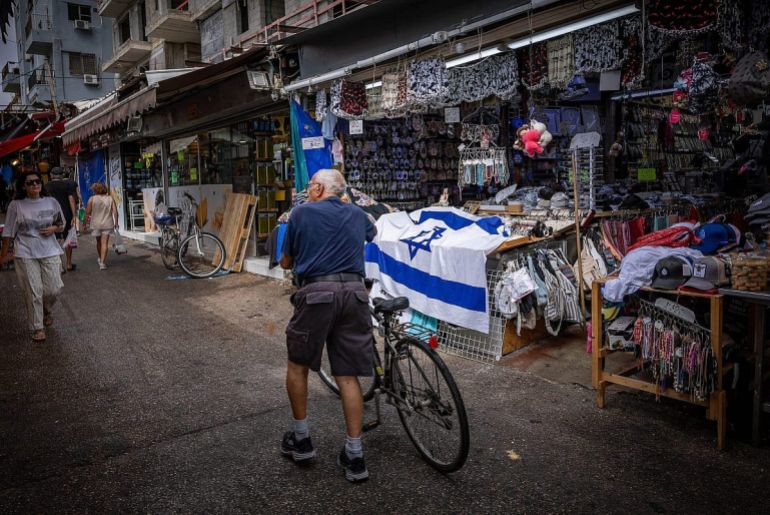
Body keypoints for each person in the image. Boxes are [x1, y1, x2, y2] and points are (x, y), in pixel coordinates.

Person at [279, 169, 376, 483]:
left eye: (310, 186)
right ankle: (355, 454)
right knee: (347, 376)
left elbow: (286, 262)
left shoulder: (301, 213)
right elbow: (372, 233)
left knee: (298, 365)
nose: (308, 191)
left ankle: (302, 440)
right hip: (355, 294)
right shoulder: (357, 214)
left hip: (318, 294)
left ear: (319, 188)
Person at [0, 172, 65, 342]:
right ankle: (38, 327)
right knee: (34, 291)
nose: (35, 185)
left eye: (37, 181)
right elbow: (8, 231)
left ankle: (47, 309)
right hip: (25, 252)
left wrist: (53, 229)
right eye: (30, 183)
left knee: (54, 289)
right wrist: (3, 255)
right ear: (23, 186)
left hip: (50, 249)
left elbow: (61, 224)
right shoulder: (16, 205)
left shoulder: (51, 202)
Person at [44, 167, 78, 272]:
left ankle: (60, 266)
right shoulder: (67, 185)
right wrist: (74, 215)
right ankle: (68, 264)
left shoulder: (47, 186)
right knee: (68, 238)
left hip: (54, 216)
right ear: (62, 175)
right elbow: (71, 200)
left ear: (51, 175)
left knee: (56, 240)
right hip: (66, 214)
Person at [84, 182, 118, 270]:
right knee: (105, 243)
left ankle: (100, 258)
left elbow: (87, 212)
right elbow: (115, 212)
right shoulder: (110, 198)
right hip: (108, 223)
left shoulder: (92, 199)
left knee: (99, 242)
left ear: (95, 190)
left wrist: (84, 224)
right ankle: (102, 262)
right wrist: (116, 223)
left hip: (96, 224)